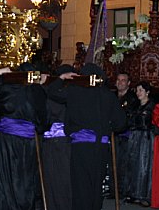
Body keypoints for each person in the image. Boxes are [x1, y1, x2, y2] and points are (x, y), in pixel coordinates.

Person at [47, 63, 127, 210]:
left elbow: (51, 92)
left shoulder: (74, 91)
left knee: (81, 186)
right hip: (101, 147)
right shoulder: (107, 95)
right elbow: (121, 123)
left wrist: (62, 78)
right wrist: (107, 128)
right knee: (97, 186)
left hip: (81, 147)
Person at [0, 62, 48, 210]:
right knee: (25, 180)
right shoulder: (37, 91)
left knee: (6, 179)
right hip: (26, 141)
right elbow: (43, 120)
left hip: (6, 140)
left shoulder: (8, 88)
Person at [42, 64, 74, 210]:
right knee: (64, 177)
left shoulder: (50, 93)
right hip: (65, 140)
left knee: (52, 176)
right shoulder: (71, 93)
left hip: (53, 139)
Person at [125, 81, 155, 206]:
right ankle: (133, 193)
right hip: (135, 137)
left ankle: (144, 195)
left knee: (144, 165)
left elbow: (144, 123)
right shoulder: (135, 105)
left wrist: (135, 119)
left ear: (147, 92)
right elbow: (129, 121)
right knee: (133, 163)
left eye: (141, 90)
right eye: (137, 90)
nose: (138, 93)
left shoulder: (152, 106)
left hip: (145, 138)